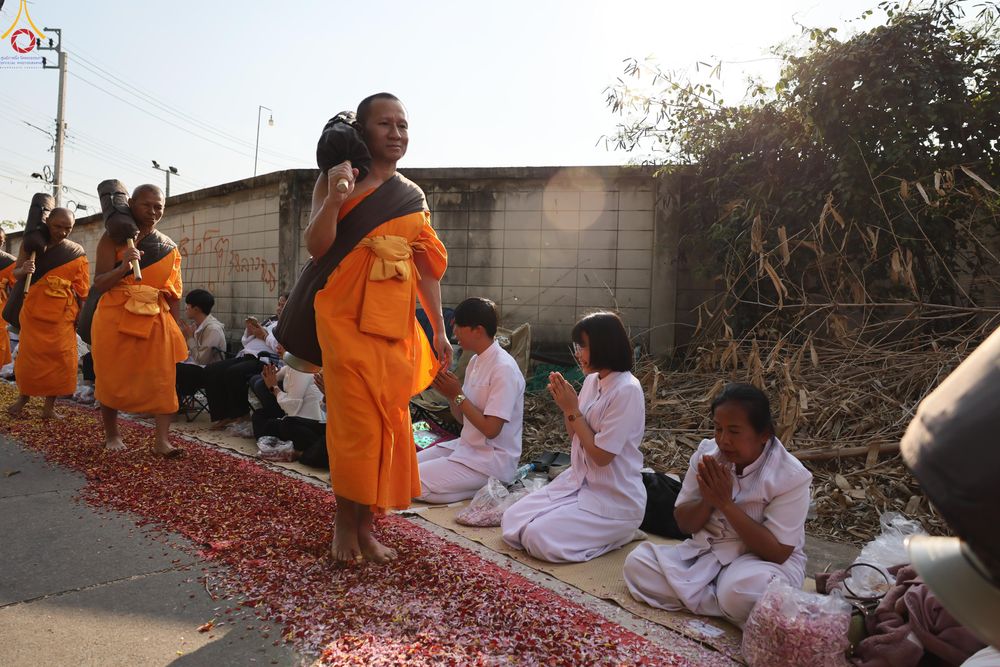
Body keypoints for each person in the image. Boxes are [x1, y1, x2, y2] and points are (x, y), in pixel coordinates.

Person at [304, 92, 450, 563]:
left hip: (393, 326)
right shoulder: (337, 179)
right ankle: (342, 527)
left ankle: (367, 529)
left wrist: (440, 331)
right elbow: (317, 245)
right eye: (385, 124)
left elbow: (427, 270)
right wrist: (337, 197)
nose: (396, 133)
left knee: (387, 424)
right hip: (344, 321)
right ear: (363, 132)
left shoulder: (412, 196)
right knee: (354, 427)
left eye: (403, 125)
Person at [622, 383, 812, 626]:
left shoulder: (790, 476)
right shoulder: (707, 456)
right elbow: (683, 523)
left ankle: (720, 597)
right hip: (706, 555)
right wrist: (708, 502)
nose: (723, 440)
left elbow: (778, 552)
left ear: (764, 434)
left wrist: (726, 505)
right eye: (718, 428)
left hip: (760, 564)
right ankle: (728, 606)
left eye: (734, 431)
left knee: (742, 591)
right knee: (637, 564)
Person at [501, 311, 646, 563]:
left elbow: (601, 456)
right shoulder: (592, 381)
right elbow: (575, 437)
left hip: (613, 498)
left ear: (604, 345)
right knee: (512, 520)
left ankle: (620, 534)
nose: (577, 353)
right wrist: (567, 408)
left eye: (583, 346)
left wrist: (571, 409)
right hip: (579, 482)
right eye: (577, 346)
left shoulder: (627, 390)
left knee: (537, 537)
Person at [91, 184, 187, 455]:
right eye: (147, 205)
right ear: (131, 203)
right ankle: (112, 435)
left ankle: (162, 441)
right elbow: (99, 284)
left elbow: (174, 294)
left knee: (163, 379)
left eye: (159, 207)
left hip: (156, 319)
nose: (153, 212)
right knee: (112, 376)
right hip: (114, 317)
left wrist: (176, 327)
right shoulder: (111, 239)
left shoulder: (169, 247)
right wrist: (123, 267)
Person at [415, 297, 525, 504]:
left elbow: (491, 429)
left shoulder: (504, 369)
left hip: (491, 461)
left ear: (478, 330)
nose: (454, 332)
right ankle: (478, 489)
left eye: (459, 326)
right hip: (466, 448)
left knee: (410, 485)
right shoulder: (475, 360)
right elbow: (462, 419)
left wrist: (457, 394)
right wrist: (449, 394)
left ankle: (488, 487)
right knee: (400, 470)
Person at [6, 208, 89, 419]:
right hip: (34, 311)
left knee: (60, 358)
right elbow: (15, 272)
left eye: (67, 228)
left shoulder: (76, 252)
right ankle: (23, 398)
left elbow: (82, 289)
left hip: (63, 314)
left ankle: (49, 407)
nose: (62, 232)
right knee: (29, 357)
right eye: (57, 226)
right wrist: (24, 269)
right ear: (48, 223)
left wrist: (81, 314)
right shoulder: (33, 245)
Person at [200, 293, 285, 429]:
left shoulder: (288, 326)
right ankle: (224, 415)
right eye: (279, 304)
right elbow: (245, 341)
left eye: (283, 305)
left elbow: (280, 348)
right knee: (212, 370)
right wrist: (250, 330)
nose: (279, 308)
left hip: (265, 360)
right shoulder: (271, 320)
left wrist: (264, 336)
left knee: (233, 372)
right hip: (247, 355)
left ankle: (241, 414)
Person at [250, 342, 323, 435]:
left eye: (283, 345)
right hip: (295, 416)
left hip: (311, 423)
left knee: (276, 425)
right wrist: (267, 374)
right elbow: (272, 377)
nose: (278, 347)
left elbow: (292, 406)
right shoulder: (293, 364)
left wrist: (274, 388)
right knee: (259, 411)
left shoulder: (301, 368)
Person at [175, 288, 226, 395]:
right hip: (198, 367)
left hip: (210, 372)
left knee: (175, 369)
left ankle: (177, 401)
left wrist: (190, 338)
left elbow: (202, 360)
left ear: (196, 309)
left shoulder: (213, 329)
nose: (185, 309)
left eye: (187, 306)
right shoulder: (197, 325)